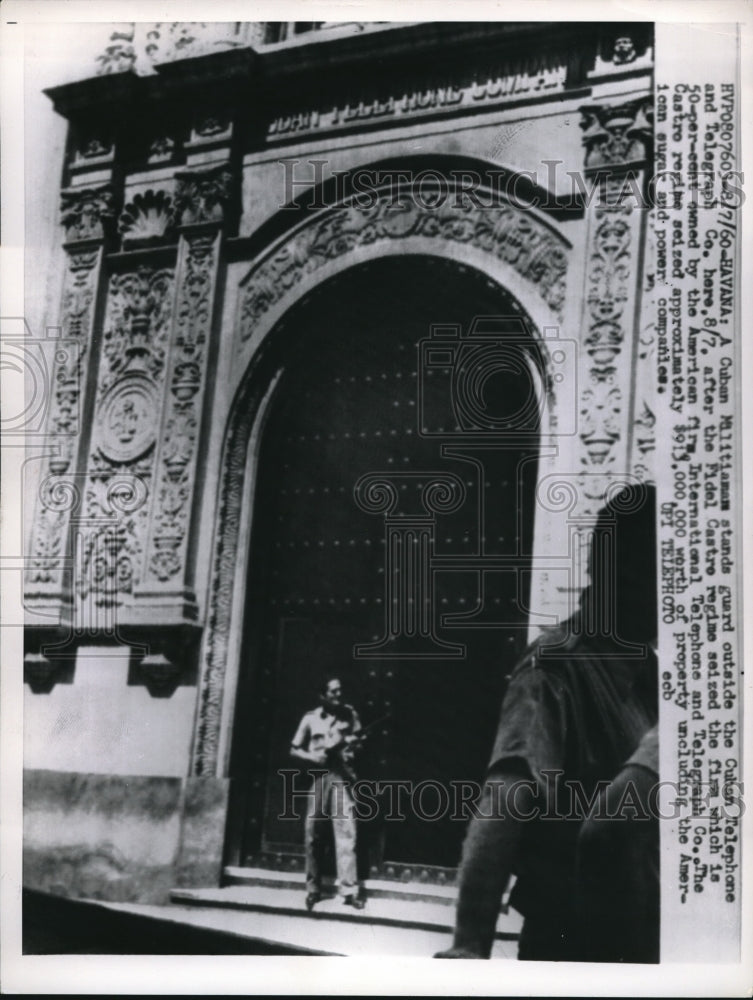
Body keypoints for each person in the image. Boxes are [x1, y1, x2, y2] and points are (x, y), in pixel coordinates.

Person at [435, 483, 658, 961]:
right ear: (629, 574)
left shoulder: (652, 674)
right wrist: (468, 951)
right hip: (572, 941)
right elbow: (505, 801)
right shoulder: (554, 666)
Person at [290, 676, 365, 911]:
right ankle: (313, 890)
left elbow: (361, 739)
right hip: (318, 778)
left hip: (341, 776)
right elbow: (294, 749)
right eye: (333, 692)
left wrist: (351, 745)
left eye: (340, 691)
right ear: (322, 695)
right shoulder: (310, 719)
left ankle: (349, 890)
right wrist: (312, 757)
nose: (338, 695)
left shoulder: (349, 714)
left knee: (346, 832)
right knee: (313, 834)